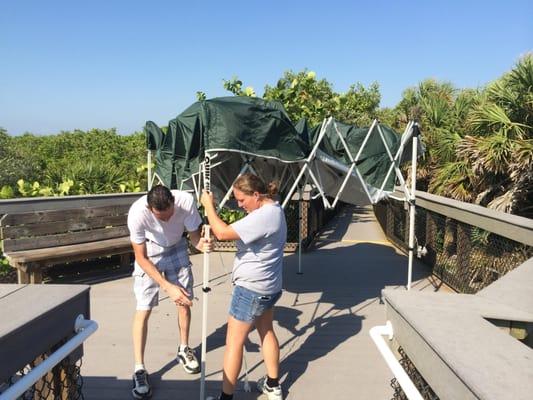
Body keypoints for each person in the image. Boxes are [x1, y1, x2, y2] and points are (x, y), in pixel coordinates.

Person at [201, 173, 286, 400]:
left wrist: (208, 206)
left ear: (256, 195)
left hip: (251, 290)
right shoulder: (274, 210)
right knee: (266, 331)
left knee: (233, 343)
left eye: (242, 200)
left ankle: (226, 397)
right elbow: (237, 232)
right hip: (269, 286)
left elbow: (222, 232)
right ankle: (273, 384)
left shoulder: (264, 216)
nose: (239, 205)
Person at [127, 185, 212, 399]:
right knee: (143, 308)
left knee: (184, 302)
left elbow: (193, 237)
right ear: (150, 208)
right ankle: (139, 368)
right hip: (150, 250)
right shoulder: (137, 213)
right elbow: (141, 257)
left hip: (177, 247)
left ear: (173, 202)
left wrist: (201, 245)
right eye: (160, 217)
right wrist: (167, 287)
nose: (166, 220)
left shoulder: (185, 201)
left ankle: (184, 348)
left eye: (169, 215)